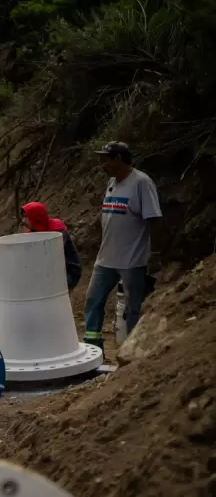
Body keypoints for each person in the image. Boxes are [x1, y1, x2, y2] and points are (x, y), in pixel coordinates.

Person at [83, 142, 162, 350]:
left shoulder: (141, 183)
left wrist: (154, 253)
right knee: (93, 300)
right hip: (106, 257)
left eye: (105, 160)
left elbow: (153, 219)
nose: (101, 164)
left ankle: (131, 351)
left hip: (132, 259)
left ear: (118, 159)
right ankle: (93, 347)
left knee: (133, 306)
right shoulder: (112, 182)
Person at [21, 201, 82, 290]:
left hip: (68, 272)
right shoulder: (33, 232)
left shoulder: (57, 231)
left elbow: (48, 255)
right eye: (23, 217)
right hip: (50, 273)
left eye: (27, 217)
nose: (23, 221)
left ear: (36, 218)